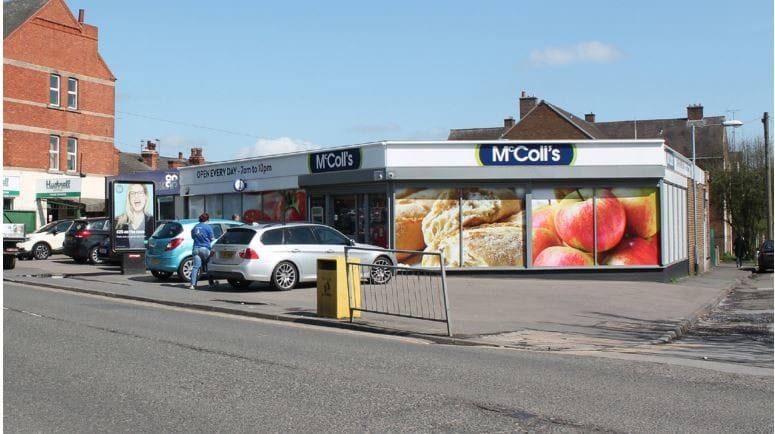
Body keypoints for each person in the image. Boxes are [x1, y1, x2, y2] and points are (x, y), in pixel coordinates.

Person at [115, 183, 154, 249]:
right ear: (129, 198)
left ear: (146, 197)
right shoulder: (118, 222)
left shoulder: (152, 222)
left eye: (140, 193)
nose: (136, 196)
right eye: (132, 193)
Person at [190, 212, 217, 289]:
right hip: (205, 249)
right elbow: (212, 239)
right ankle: (211, 283)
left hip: (195, 249)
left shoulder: (195, 227)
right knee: (209, 266)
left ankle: (192, 285)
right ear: (207, 220)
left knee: (195, 267)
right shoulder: (208, 227)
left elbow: (193, 237)